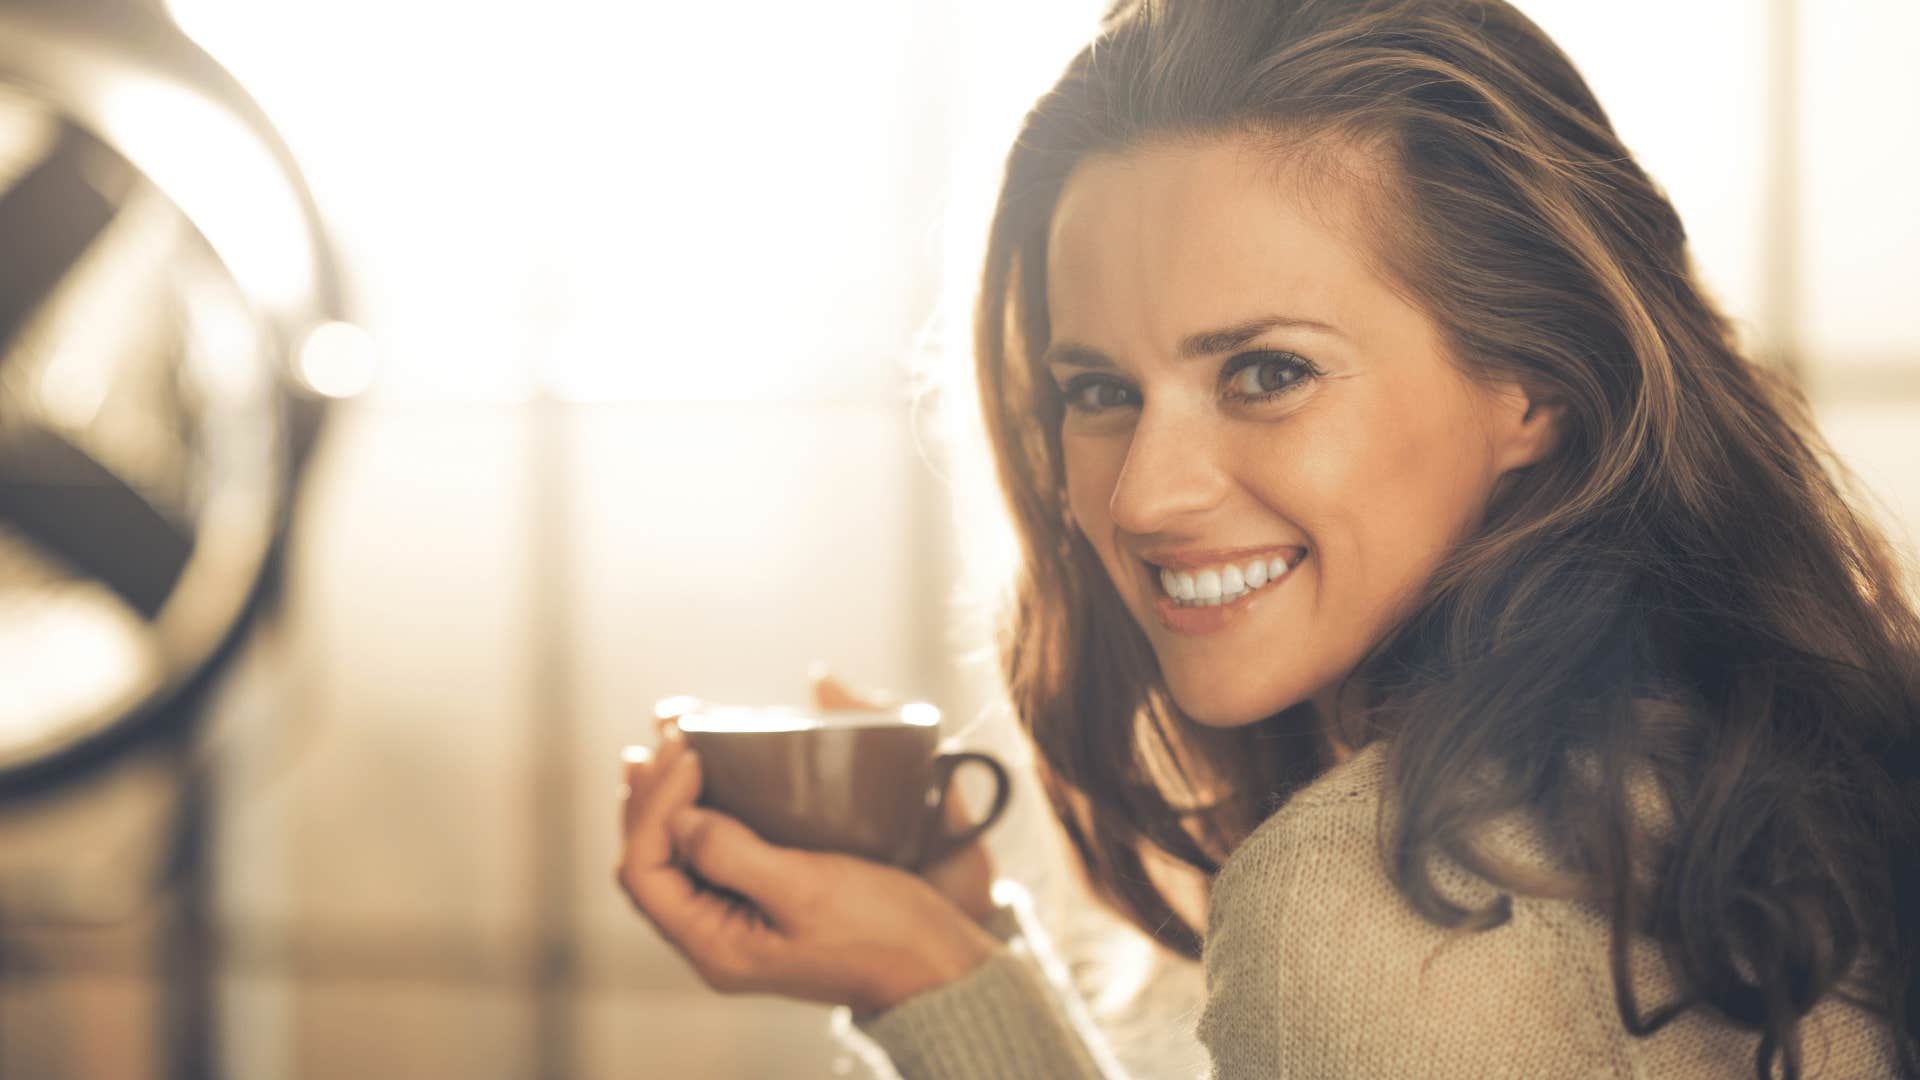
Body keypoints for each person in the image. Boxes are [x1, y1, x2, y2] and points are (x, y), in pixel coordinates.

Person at [616, 0, 1920, 1076]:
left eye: (1266, 373)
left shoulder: (1372, 894)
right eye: (1098, 392)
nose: (1140, 499)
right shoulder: (1759, 771)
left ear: (1536, 386)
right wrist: (938, 963)